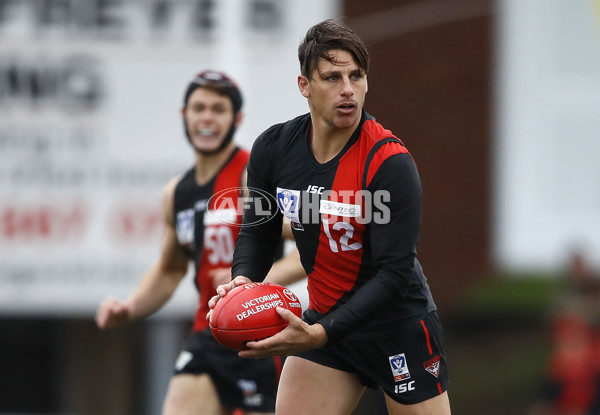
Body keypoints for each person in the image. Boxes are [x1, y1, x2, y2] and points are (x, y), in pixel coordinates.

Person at [209, 19, 451, 415]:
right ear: (305, 85)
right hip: (326, 324)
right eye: (332, 77)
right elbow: (259, 232)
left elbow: (394, 274)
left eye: (356, 76)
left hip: (396, 328)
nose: (347, 89)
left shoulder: (388, 162)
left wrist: (320, 332)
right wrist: (242, 281)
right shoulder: (274, 148)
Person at [96, 70, 304, 415]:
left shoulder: (250, 175)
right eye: (199, 108)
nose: (207, 117)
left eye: (218, 109)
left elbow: (311, 244)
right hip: (207, 331)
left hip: (257, 333)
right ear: (185, 115)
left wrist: (250, 284)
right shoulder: (176, 193)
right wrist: (129, 308)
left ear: (236, 119)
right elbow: (170, 268)